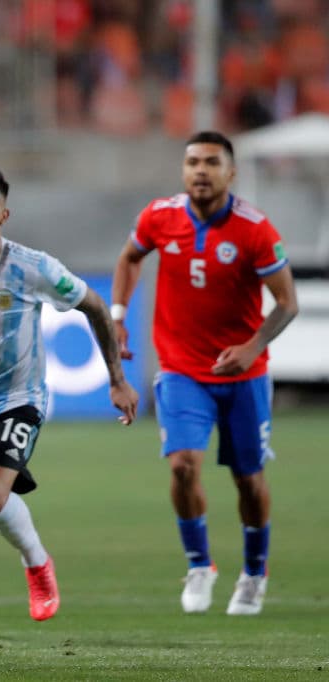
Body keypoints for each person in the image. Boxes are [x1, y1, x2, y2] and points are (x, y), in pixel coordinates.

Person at [0, 165, 138, 641]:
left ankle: (37, 564)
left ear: (3, 214)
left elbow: (93, 305)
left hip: (17, 398)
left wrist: (117, 380)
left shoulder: (32, 268)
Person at [111, 131, 298, 616]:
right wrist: (117, 315)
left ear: (230, 173)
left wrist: (253, 345)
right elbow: (130, 257)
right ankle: (200, 564)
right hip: (180, 368)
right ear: (183, 169)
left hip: (244, 374)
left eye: (211, 162)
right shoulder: (159, 217)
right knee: (182, 465)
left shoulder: (255, 229)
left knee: (248, 480)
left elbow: (287, 302)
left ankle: (255, 573)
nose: (200, 170)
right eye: (193, 161)